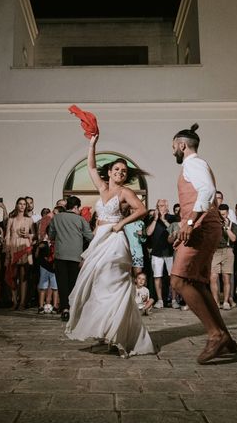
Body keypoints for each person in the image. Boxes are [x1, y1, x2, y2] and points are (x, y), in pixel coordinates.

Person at [66, 133, 156, 357]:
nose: (120, 173)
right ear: (110, 173)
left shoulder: (125, 192)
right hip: (100, 239)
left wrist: (121, 224)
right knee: (102, 285)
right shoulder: (103, 188)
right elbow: (91, 167)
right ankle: (109, 331)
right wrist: (92, 144)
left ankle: (119, 336)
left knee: (115, 284)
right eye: (116, 170)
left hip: (115, 240)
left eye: (123, 171)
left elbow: (142, 210)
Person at [169, 123, 237, 364]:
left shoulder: (192, 163)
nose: (173, 152)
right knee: (197, 283)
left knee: (178, 281)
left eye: (174, 147)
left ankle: (214, 334)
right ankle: (225, 336)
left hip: (201, 226)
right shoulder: (197, 164)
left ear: (182, 145)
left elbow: (207, 190)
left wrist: (188, 222)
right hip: (205, 225)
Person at [48, 196, 94, 322]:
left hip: (60, 255)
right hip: (76, 256)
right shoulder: (81, 220)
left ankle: (65, 309)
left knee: (62, 284)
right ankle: (73, 309)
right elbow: (90, 237)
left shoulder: (56, 218)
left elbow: (51, 235)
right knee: (73, 283)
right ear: (75, 207)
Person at [146, 199, 177, 308]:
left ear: (167, 206)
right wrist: (155, 220)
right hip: (156, 252)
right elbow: (149, 233)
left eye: (162, 206)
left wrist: (163, 220)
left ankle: (173, 300)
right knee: (157, 276)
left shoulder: (172, 218)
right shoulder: (152, 219)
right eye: (158, 206)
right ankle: (160, 300)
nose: (160, 208)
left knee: (172, 277)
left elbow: (174, 231)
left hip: (169, 252)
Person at [210, 204, 237, 310]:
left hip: (228, 250)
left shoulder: (233, 225)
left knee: (226, 278)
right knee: (213, 277)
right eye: (220, 214)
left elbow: (233, 239)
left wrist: (226, 227)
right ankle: (216, 302)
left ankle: (226, 302)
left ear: (227, 214)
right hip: (215, 252)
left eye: (224, 214)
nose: (222, 216)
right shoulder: (213, 225)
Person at [123, 207, 147, 276]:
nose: (133, 211)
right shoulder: (125, 222)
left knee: (138, 274)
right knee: (127, 275)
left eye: (135, 209)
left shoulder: (141, 223)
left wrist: (142, 235)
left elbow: (144, 240)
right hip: (127, 251)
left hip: (138, 252)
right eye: (131, 209)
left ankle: (137, 287)